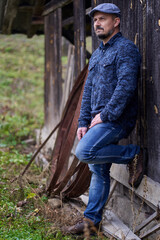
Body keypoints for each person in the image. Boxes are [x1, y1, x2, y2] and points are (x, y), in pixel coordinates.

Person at [65, 3, 143, 235]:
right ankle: (91, 221)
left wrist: (105, 115)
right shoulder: (98, 54)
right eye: (95, 20)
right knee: (98, 170)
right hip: (97, 121)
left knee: (84, 152)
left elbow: (126, 86)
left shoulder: (126, 49)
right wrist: (82, 121)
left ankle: (133, 154)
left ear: (116, 21)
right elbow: (88, 90)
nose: (97, 23)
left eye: (102, 19)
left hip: (116, 120)